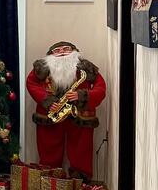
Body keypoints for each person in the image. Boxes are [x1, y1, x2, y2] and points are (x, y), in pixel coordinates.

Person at [25, 40, 106, 178]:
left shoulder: (85, 66)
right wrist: (47, 100)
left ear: (75, 52)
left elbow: (100, 87)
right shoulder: (42, 67)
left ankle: (80, 179)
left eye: (66, 49)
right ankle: (50, 177)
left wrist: (82, 96)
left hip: (80, 114)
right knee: (49, 146)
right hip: (51, 114)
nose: (62, 52)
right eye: (57, 51)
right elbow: (31, 83)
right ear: (50, 55)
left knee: (82, 148)